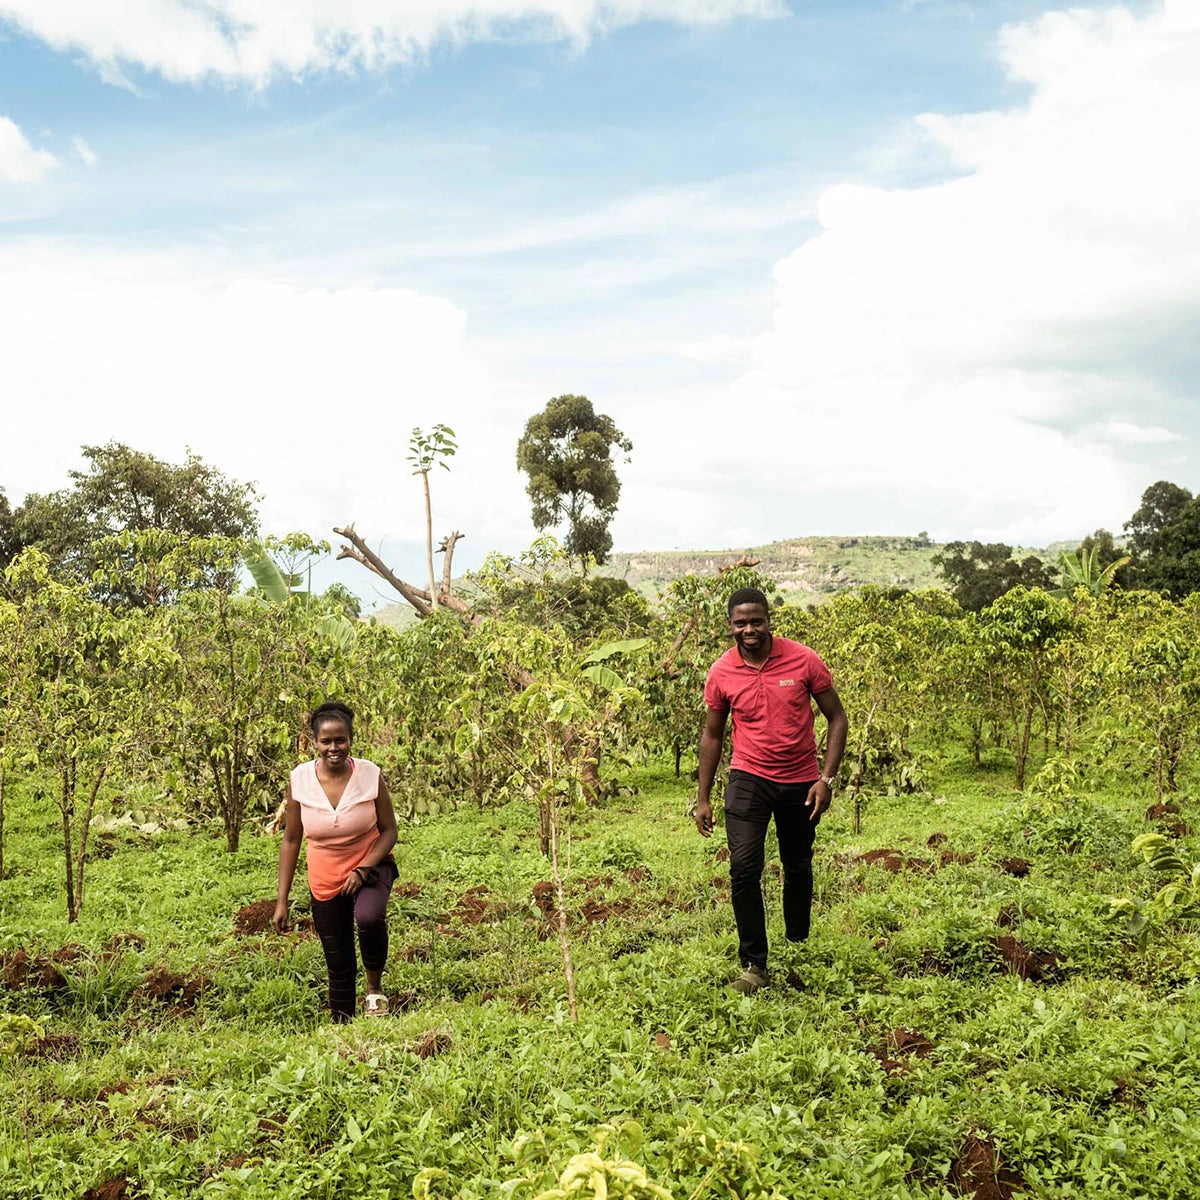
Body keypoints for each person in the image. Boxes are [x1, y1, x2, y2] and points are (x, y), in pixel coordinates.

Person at [695, 587, 848, 994]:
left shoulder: (804, 659)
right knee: (744, 869)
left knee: (797, 865)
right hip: (748, 778)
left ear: (769, 619)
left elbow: (836, 718)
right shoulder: (721, 672)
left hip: (801, 780)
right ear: (729, 625)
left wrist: (826, 779)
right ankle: (754, 965)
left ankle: (798, 938)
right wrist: (703, 796)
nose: (749, 629)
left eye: (756, 620)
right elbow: (712, 735)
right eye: (741, 622)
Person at [273, 701, 399, 1020]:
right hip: (325, 876)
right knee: (338, 957)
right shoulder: (300, 780)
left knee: (369, 918)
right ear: (314, 742)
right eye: (325, 741)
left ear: (351, 739)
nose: (333, 748)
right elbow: (291, 840)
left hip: (371, 864)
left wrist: (364, 867)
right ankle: (342, 1021)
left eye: (340, 740)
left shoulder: (370, 775)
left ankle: (374, 993)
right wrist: (282, 901)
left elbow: (389, 831)